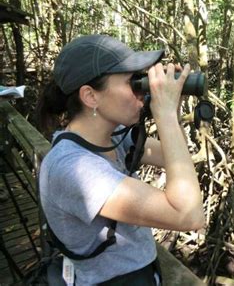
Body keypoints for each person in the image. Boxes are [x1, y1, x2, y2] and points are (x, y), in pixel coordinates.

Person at [36, 34, 205, 285]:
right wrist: (164, 114)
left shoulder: (113, 137)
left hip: (142, 273)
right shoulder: (72, 168)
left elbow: (177, 157)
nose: (141, 93)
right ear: (91, 96)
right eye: (132, 82)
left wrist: (174, 109)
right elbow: (188, 215)